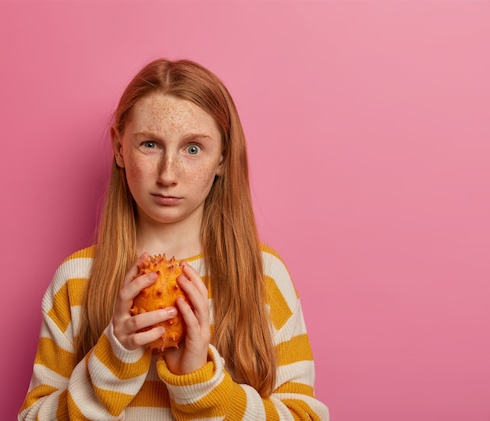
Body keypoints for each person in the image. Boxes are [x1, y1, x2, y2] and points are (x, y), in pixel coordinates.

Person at [18, 58, 329, 420]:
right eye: (150, 144)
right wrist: (114, 359)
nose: (168, 174)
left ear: (223, 157)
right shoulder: (76, 279)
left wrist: (201, 384)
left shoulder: (263, 276)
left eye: (193, 149)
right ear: (120, 149)